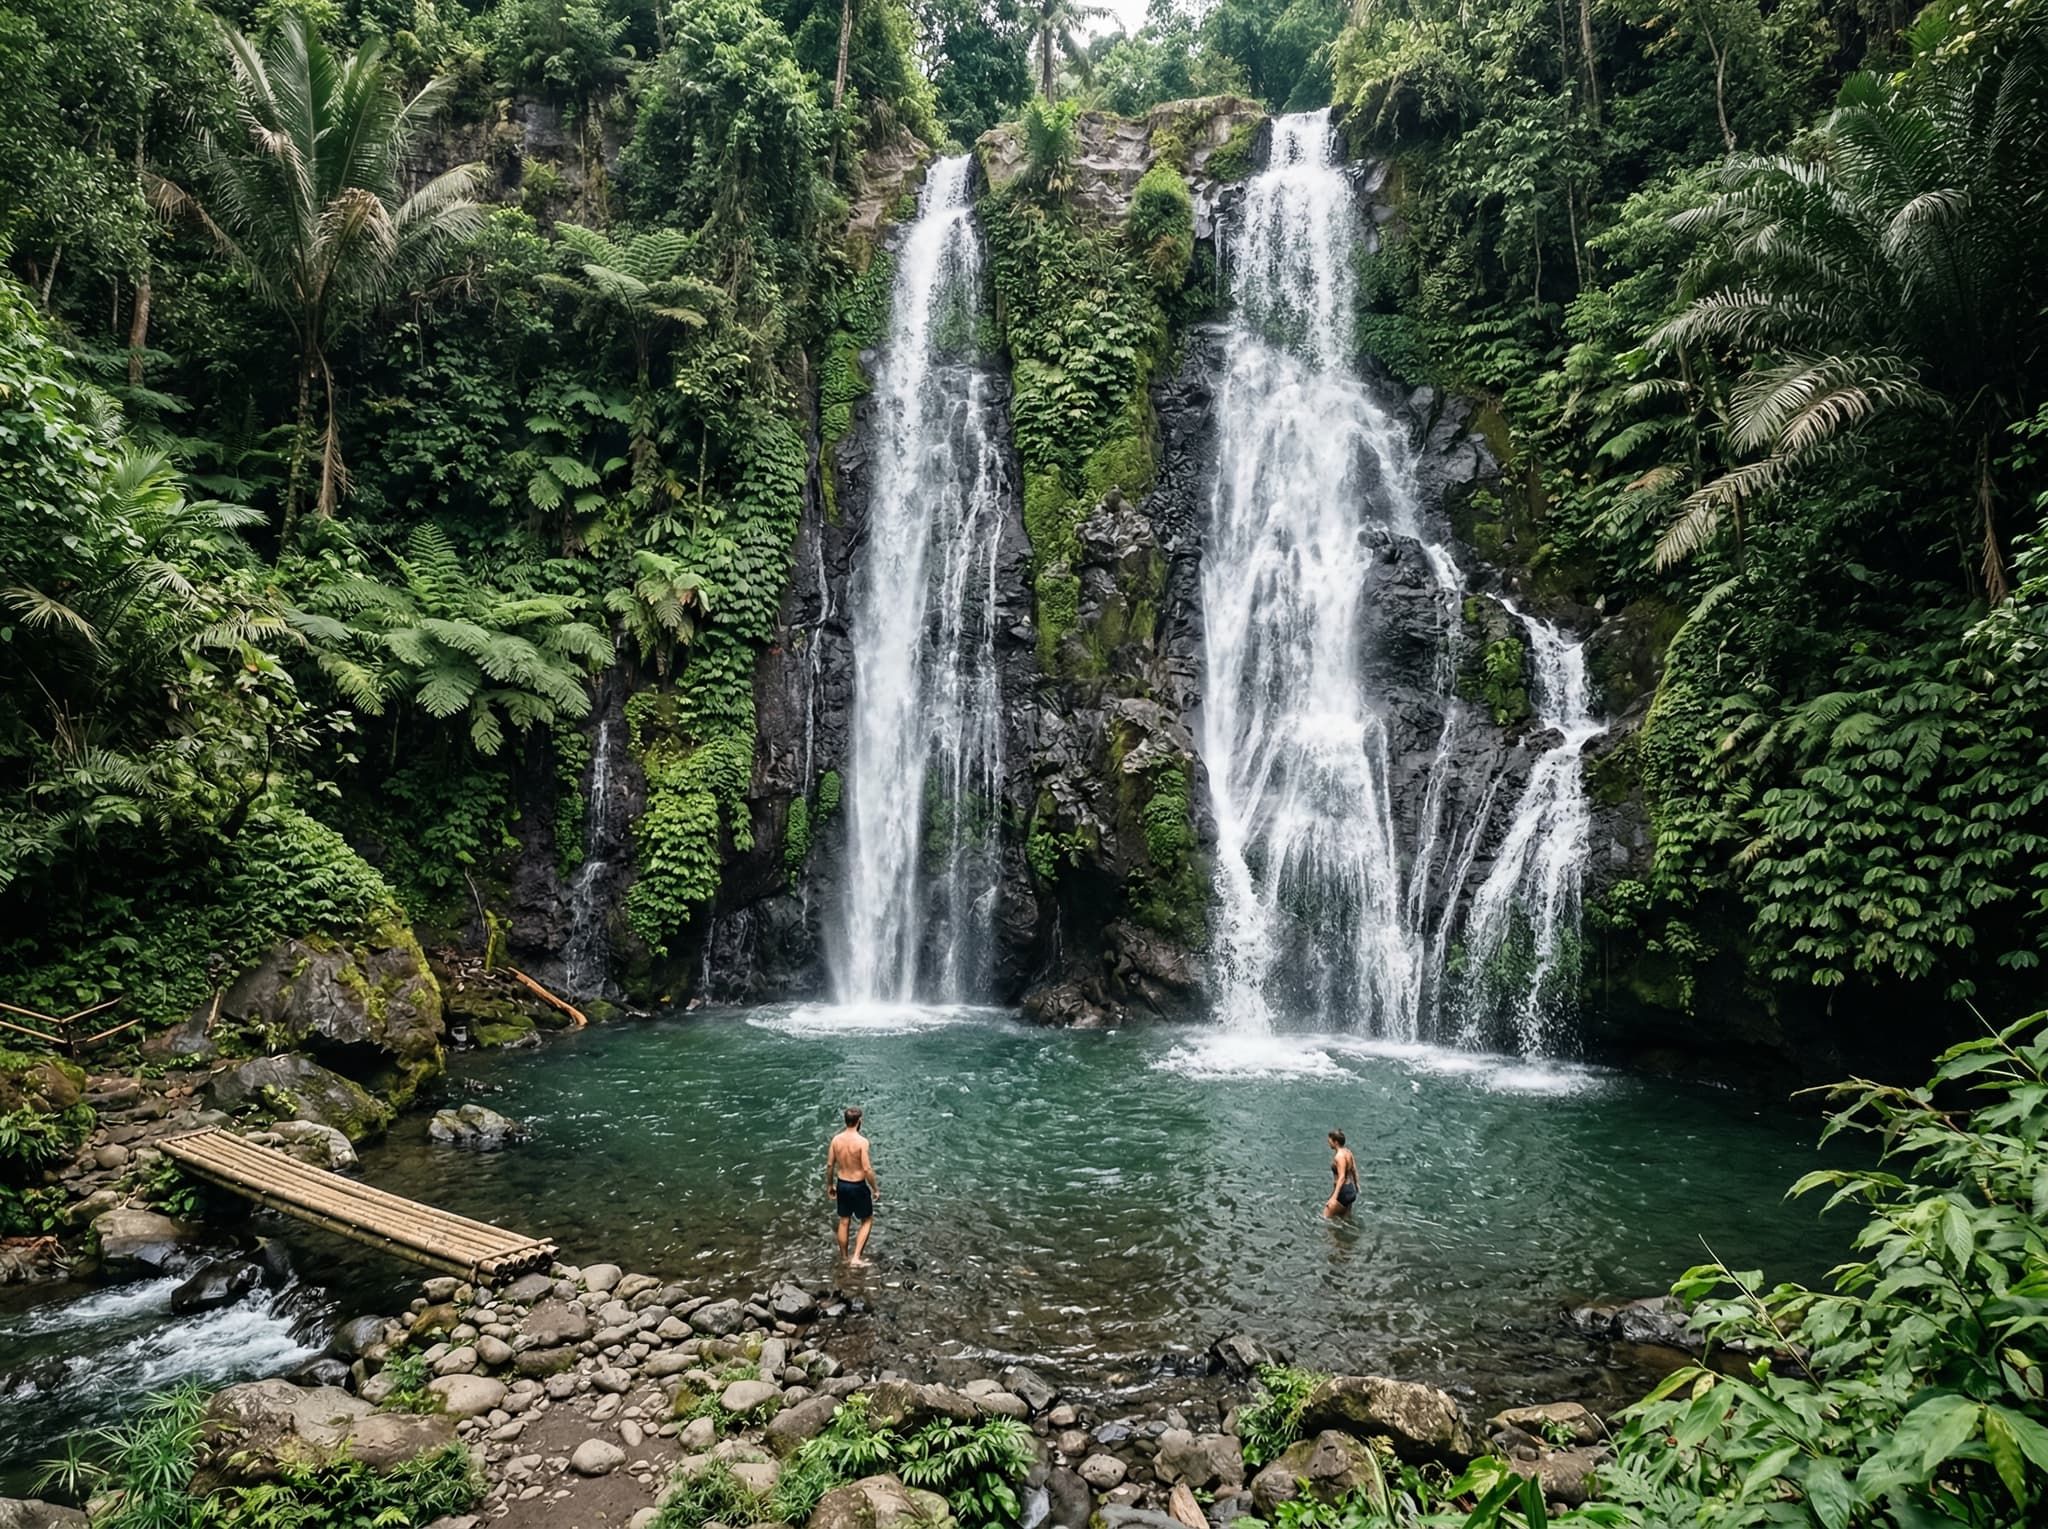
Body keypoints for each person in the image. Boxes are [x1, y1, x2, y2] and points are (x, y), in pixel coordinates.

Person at [826, 1105, 880, 1264]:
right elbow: (867, 1168)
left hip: (842, 1184)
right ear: (859, 1121)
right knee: (867, 1220)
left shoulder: (836, 1140)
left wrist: (829, 1185)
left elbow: (830, 1165)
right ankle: (856, 1257)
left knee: (844, 1221)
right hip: (857, 1186)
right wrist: (875, 1188)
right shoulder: (862, 1142)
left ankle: (844, 1258)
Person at [1323, 1129, 1358, 1219]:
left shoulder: (1339, 1157)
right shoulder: (1348, 1152)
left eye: (1330, 1141)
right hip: (1351, 1189)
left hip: (1343, 1191)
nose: (1328, 1143)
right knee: (1345, 1219)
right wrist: (1357, 1185)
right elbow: (1354, 1169)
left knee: (1325, 1218)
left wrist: (1334, 1197)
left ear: (1336, 1142)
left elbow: (1341, 1177)